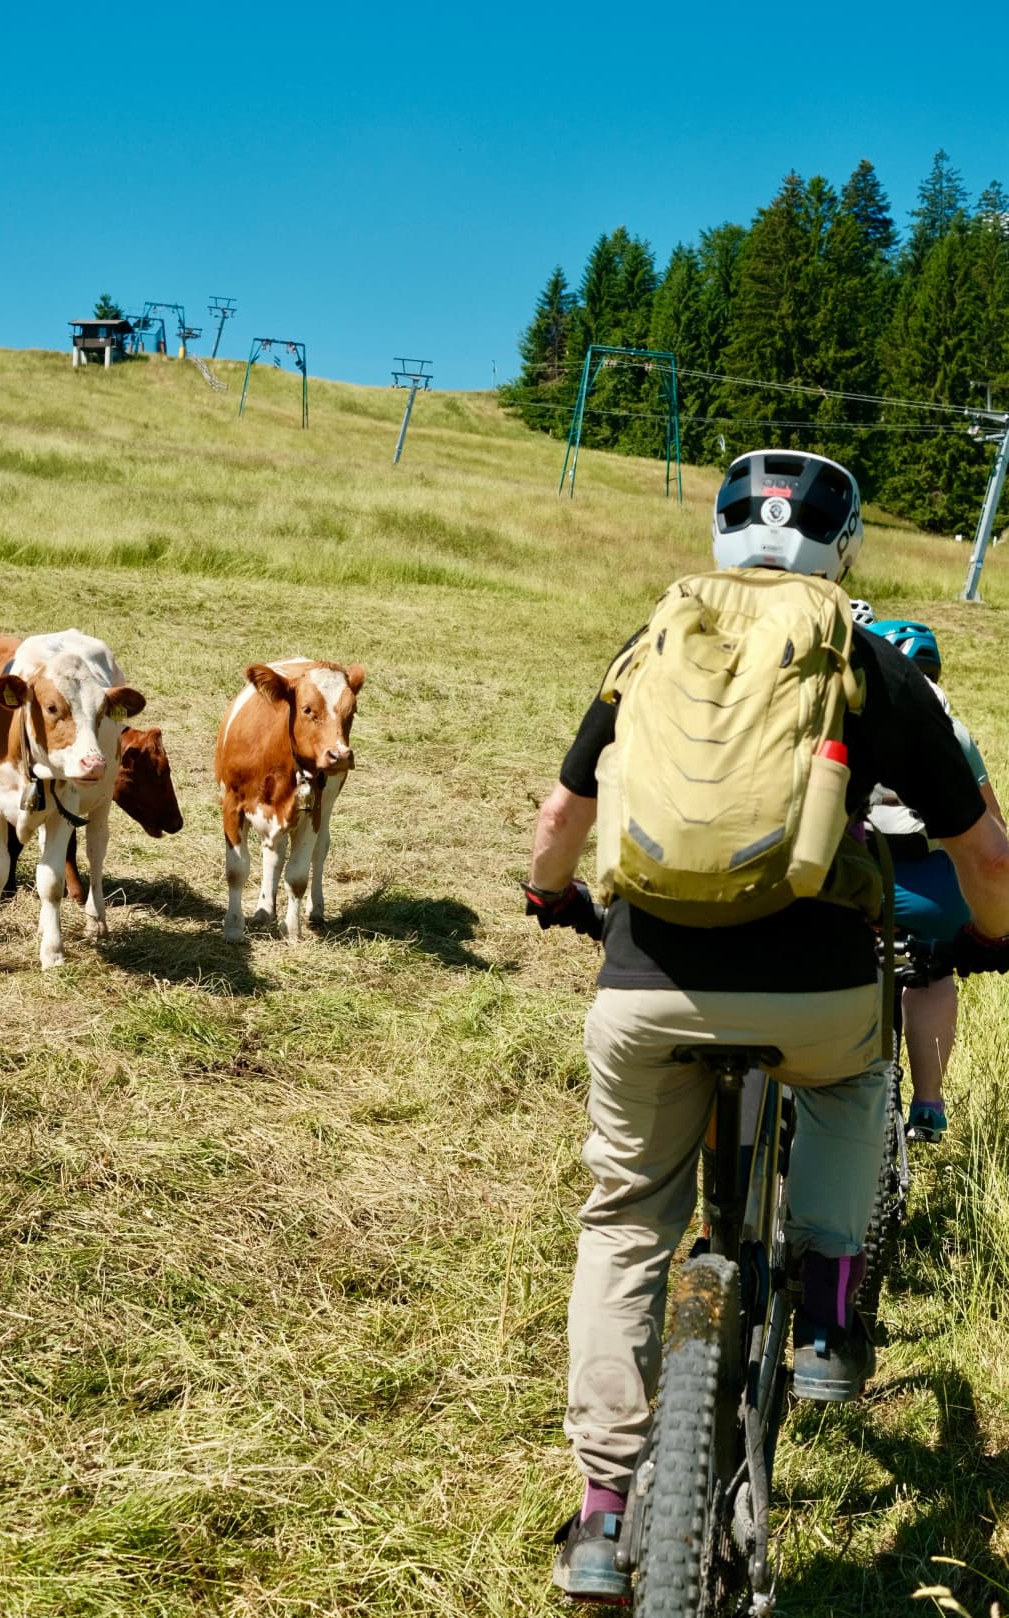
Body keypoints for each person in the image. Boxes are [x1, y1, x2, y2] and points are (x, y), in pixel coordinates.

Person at [525, 449, 1009, 1605]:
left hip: (648, 986)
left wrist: (551, 894)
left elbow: (561, 815)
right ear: (842, 549)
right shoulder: (870, 658)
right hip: (817, 990)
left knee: (629, 1218)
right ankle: (833, 1319)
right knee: (850, 1086)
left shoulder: (650, 644)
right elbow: (981, 850)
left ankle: (602, 1510)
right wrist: (994, 936)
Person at [863, 618, 1006, 1141]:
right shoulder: (950, 727)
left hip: (856, 884)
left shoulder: (846, 709)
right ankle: (928, 1103)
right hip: (935, 894)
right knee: (935, 972)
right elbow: (993, 833)